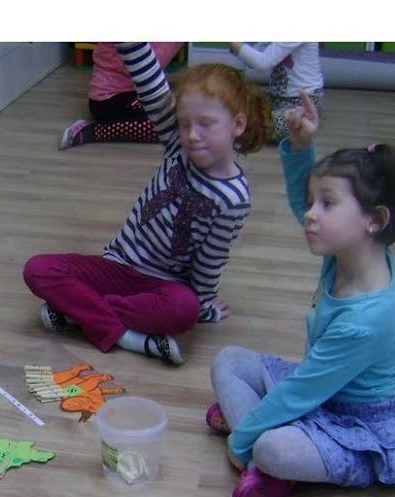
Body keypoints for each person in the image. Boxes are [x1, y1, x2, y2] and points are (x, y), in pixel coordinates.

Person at [207, 91, 395, 497]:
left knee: (270, 448)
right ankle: (261, 432)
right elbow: (301, 202)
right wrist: (301, 147)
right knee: (228, 360)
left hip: (360, 423)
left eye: (327, 204)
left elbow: (302, 390)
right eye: (314, 202)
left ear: (374, 219)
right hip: (322, 391)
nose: (310, 213)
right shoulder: (350, 250)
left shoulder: (367, 319)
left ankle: (269, 458)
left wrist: (241, 442)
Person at [24, 42, 271, 366]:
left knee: (185, 309)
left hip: (163, 285)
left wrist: (204, 305)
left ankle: (76, 315)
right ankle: (129, 337)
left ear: (237, 125)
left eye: (206, 123)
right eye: (185, 124)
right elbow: (152, 87)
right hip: (117, 265)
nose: (192, 135)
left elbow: (211, 259)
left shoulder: (234, 199)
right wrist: (130, 42)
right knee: (38, 269)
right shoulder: (178, 146)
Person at [58, 42, 184, 150]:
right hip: (110, 99)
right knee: (171, 125)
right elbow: (145, 66)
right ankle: (92, 131)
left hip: (133, 91)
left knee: (184, 103)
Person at [227, 42, 324, 144]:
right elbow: (253, 58)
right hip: (277, 99)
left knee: (253, 129)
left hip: (301, 102)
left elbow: (262, 63)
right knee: (234, 104)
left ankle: (305, 120)